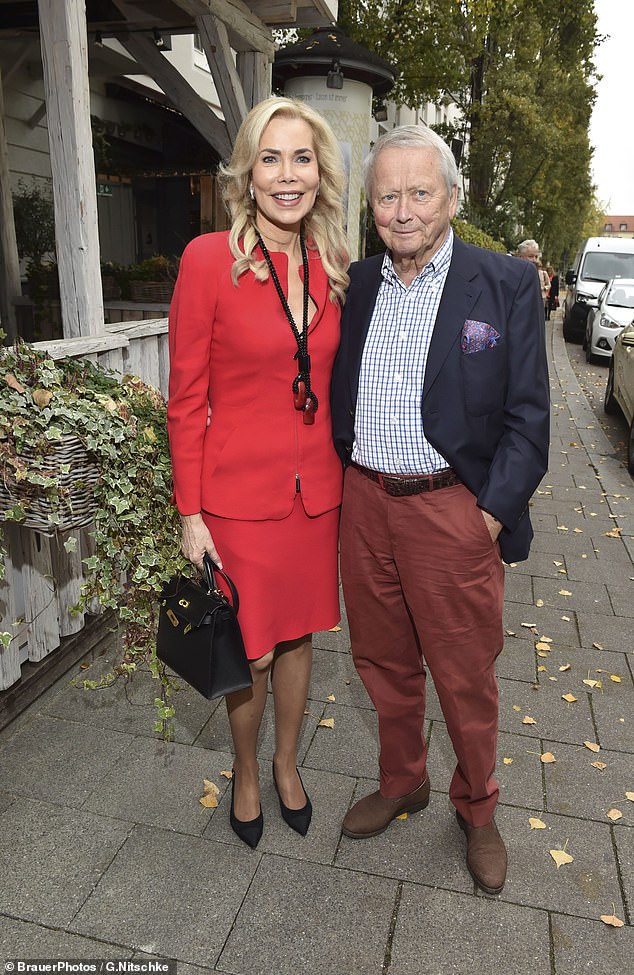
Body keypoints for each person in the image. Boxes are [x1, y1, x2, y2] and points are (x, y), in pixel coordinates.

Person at [331, 125, 550, 895]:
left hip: (451, 512)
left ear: (452, 197)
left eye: (419, 192)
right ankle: (404, 781)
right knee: (382, 663)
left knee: (465, 676)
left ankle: (478, 807)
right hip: (364, 505)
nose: (403, 209)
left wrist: (485, 517)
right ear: (371, 205)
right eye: (387, 194)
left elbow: (529, 420)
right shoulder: (357, 283)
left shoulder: (505, 285)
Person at [167, 96, 350, 848]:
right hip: (237, 500)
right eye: (270, 157)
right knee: (253, 645)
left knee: (302, 636)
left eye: (300, 157)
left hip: (318, 498)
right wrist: (189, 512)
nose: (286, 174)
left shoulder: (334, 263)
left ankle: (285, 763)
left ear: (320, 172)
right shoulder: (207, 258)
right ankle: (245, 770)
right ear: (246, 169)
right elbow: (184, 398)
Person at [517, 238, 549, 316]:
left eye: (536, 256)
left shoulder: (536, 274)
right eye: (531, 256)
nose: (535, 260)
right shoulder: (512, 275)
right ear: (520, 257)